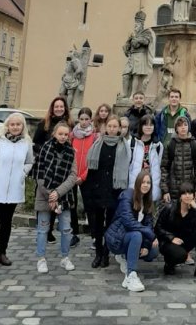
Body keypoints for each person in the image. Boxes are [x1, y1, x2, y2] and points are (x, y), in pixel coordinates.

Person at [0, 112, 33, 268]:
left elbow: (30, 161)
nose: (15, 127)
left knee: (6, 223)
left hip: (13, 190)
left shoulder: (26, 143)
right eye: (12, 124)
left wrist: (23, 173)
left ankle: (2, 253)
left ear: (22, 126)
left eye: (18, 124)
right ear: (7, 126)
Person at [86, 115, 131, 268]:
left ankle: (106, 253)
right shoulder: (98, 144)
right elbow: (92, 169)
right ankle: (98, 253)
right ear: (105, 127)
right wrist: (92, 189)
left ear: (119, 129)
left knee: (110, 223)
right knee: (98, 223)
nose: (112, 129)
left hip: (114, 190)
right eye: (109, 126)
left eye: (115, 126)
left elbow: (126, 169)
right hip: (99, 189)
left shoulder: (123, 146)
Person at [33, 121, 77, 274]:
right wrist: (50, 195)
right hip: (44, 195)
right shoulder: (45, 149)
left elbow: (73, 176)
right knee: (43, 229)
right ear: (54, 134)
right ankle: (41, 259)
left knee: (66, 229)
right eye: (60, 134)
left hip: (64, 196)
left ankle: (65, 257)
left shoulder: (71, 152)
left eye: (66, 134)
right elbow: (39, 174)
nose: (63, 137)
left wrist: (57, 193)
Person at [105, 169, 159, 292]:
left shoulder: (148, 201)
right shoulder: (127, 196)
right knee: (136, 235)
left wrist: (146, 245)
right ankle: (131, 275)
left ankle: (127, 258)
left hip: (133, 236)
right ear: (137, 183)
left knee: (153, 250)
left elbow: (149, 225)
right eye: (143, 182)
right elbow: (128, 222)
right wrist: (150, 235)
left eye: (148, 183)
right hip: (117, 238)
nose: (145, 185)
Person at [33, 96, 73, 244]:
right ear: (52, 108)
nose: (59, 109)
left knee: (58, 199)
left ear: (65, 108)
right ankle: (42, 229)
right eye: (56, 106)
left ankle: (49, 230)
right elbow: (36, 142)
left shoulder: (70, 124)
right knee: (44, 200)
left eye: (61, 106)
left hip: (62, 168)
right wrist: (45, 152)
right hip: (46, 167)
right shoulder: (44, 124)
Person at [155, 182, 196, 280]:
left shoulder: (194, 211)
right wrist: (171, 238)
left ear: (194, 196)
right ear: (180, 196)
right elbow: (158, 228)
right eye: (184, 193)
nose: (187, 196)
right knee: (181, 256)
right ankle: (169, 263)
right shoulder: (170, 208)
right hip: (168, 242)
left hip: (184, 241)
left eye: (190, 193)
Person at [70, 107, 97, 248]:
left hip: (87, 176)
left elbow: (94, 160)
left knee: (90, 207)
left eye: (87, 119)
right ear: (78, 120)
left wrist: (83, 176)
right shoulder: (72, 136)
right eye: (82, 119)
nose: (84, 122)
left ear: (91, 120)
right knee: (72, 206)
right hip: (72, 176)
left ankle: (94, 236)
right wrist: (73, 175)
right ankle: (74, 234)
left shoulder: (94, 137)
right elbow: (69, 156)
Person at [161, 117, 196, 203]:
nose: (183, 127)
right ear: (176, 128)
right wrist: (165, 190)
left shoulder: (195, 145)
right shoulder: (170, 144)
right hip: (173, 191)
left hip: (189, 190)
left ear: (188, 127)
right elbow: (164, 168)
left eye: (185, 125)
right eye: (180, 125)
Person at [128, 114, 163, 202]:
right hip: (134, 184)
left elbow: (159, 167)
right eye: (145, 124)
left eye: (151, 125)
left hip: (151, 185)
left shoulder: (158, 146)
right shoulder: (132, 143)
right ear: (141, 126)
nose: (148, 127)